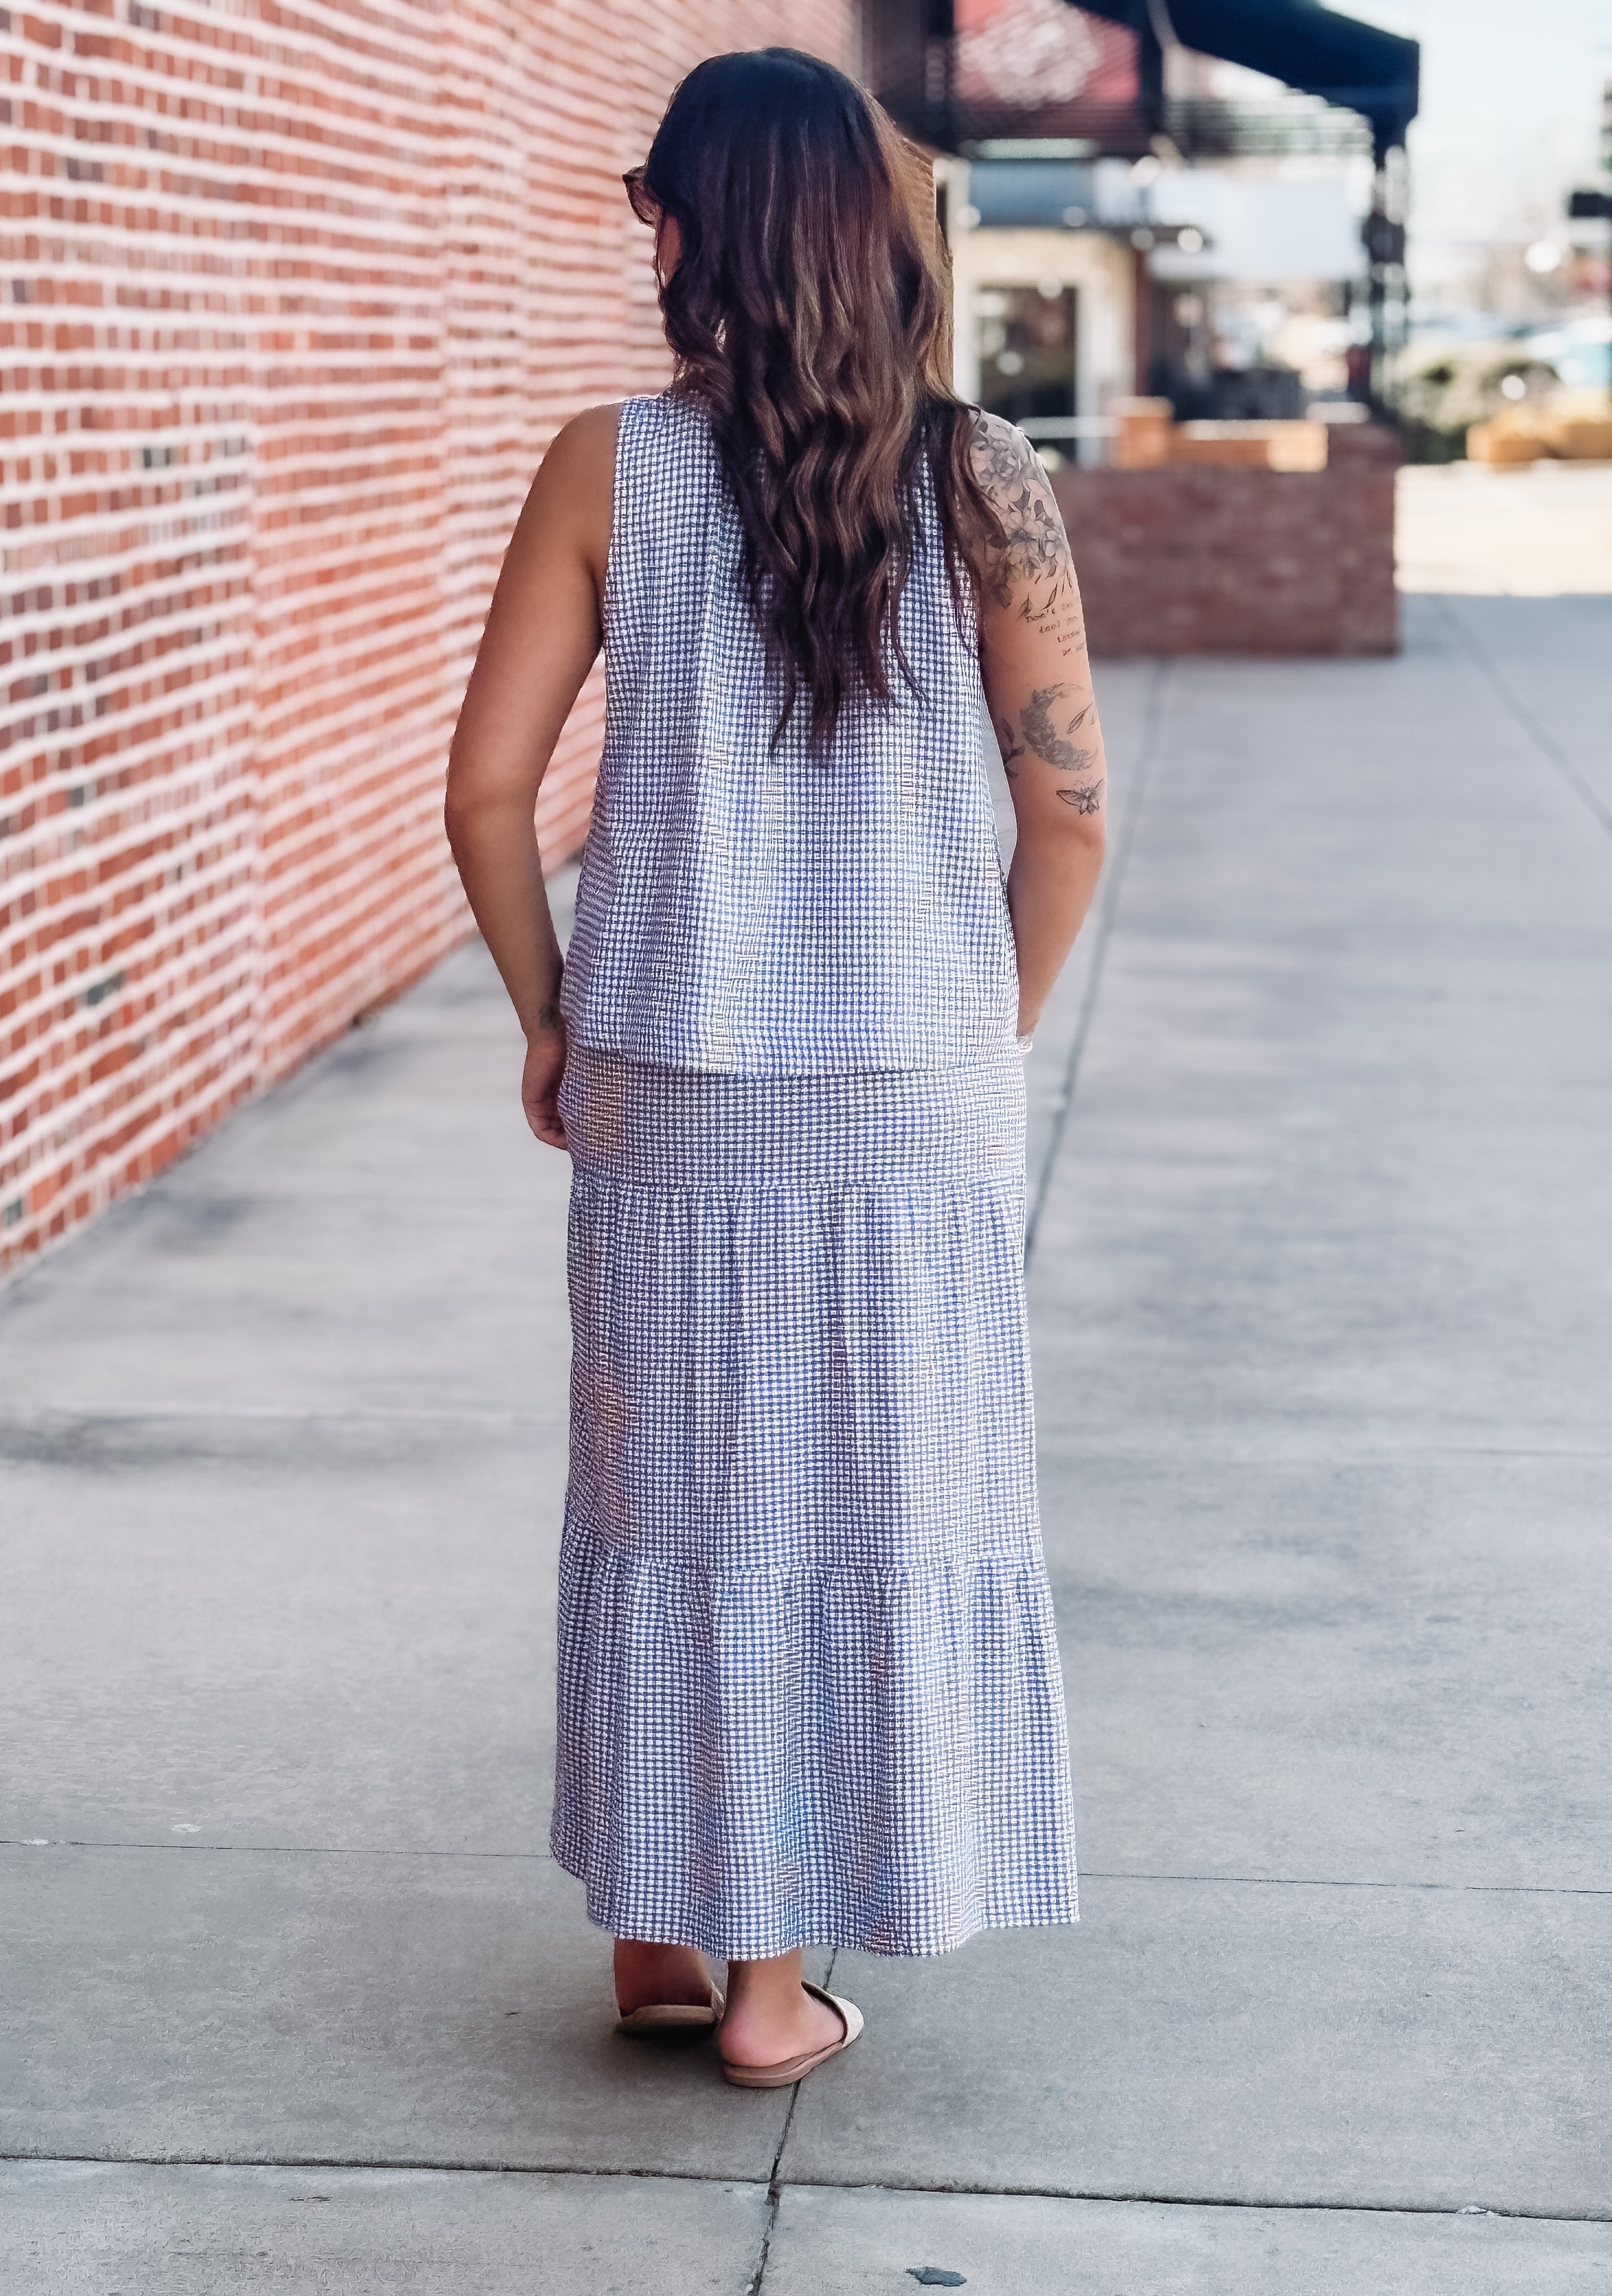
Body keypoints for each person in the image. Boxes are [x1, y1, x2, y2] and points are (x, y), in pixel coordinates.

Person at [445, 47, 1107, 2088]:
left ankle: (678, 1937)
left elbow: (484, 793)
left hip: (668, 1078)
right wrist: (982, 1023)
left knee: (673, 1498)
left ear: (684, 229)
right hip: (908, 1090)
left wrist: (551, 1010)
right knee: (872, 1499)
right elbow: (1071, 817)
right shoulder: (986, 475)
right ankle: (759, 1985)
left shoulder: (606, 468)